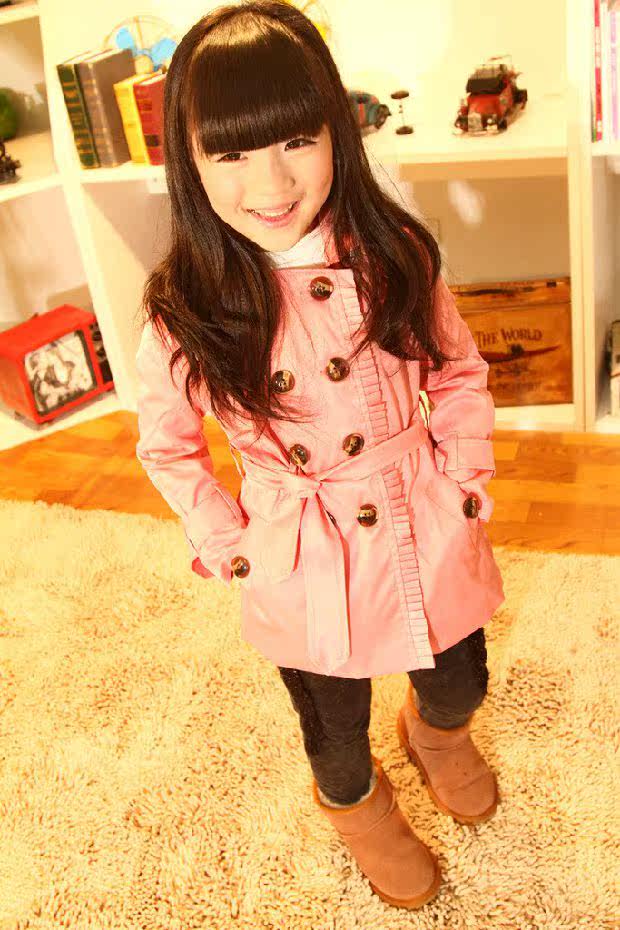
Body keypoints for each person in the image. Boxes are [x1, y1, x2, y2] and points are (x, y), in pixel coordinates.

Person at [134, 0, 506, 911]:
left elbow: (457, 369)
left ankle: (436, 737)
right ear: (189, 161)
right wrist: (232, 543)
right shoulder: (184, 306)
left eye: (297, 141)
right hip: (300, 550)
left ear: (338, 131)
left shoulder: (393, 254)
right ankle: (359, 810)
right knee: (334, 734)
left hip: (419, 508)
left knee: (460, 679)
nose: (271, 182)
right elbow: (169, 447)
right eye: (231, 153)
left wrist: (463, 474)